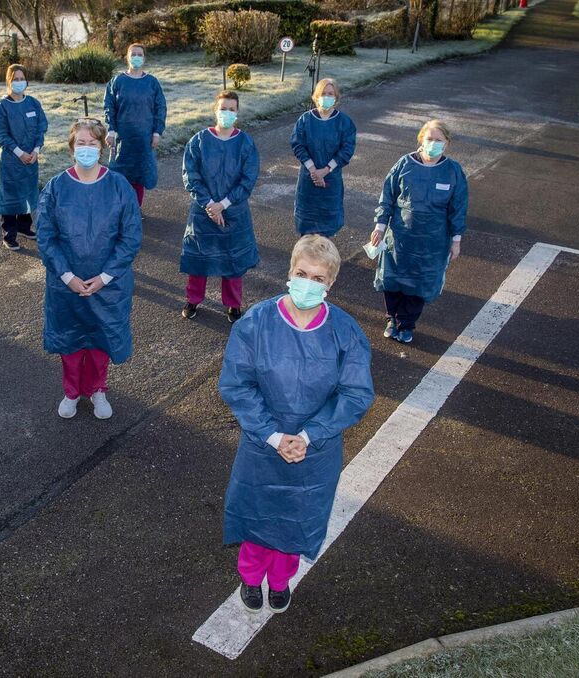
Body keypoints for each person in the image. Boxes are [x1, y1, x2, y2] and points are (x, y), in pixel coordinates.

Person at [218, 235, 374, 614]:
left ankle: (281, 580)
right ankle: (251, 578)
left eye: (318, 278)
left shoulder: (345, 331)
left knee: (296, 521)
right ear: (290, 273)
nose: (308, 282)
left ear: (330, 284)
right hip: (262, 444)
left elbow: (355, 393)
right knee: (258, 516)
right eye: (302, 273)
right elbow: (237, 383)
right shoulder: (256, 323)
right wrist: (273, 435)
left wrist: (307, 435)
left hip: (314, 450)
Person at [36, 118, 143, 420]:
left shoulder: (119, 186)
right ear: (71, 149)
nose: (86, 148)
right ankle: (71, 391)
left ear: (102, 146)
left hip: (108, 285)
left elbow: (130, 235)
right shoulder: (57, 187)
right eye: (80, 143)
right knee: (70, 342)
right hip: (65, 284)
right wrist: (68, 276)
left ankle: (97, 389)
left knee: (100, 340)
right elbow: (46, 236)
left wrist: (106, 276)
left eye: (92, 143)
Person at [370, 119, 468, 343]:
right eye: (429, 139)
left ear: (447, 143)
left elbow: (458, 208)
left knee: (420, 282)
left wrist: (456, 240)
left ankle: (407, 324)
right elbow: (387, 197)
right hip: (400, 238)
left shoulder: (453, 171)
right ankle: (392, 319)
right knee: (392, 278)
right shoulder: (404, 165)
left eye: (438, 140)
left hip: (432, 242)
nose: (433, 143)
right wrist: (380, 226)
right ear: (421, 140)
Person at [180, 90, 260, 323]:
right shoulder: (199, 141)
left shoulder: (245, 143)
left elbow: (248, 179)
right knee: (199, 259)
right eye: (223, 108)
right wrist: (209, 204)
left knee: (232, 260)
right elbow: (191, 176)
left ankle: (233, 304)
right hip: (203, 211)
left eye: (231, 109)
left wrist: (223, 204)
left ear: (237, 113)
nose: (227, 112)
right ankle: (193, 299)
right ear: (215, 110)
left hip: (233, 210)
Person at [0, 63, 48, 251]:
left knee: (27, 192)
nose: (19, 82)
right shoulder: (1, 107)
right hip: (11, 161)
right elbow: (2, 135)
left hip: (31, 159)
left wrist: (36, 150)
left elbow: (41, 127)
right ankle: (9, 235)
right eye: (15, 79)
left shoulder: (33, 103)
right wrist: (20, 153)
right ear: (8, 81)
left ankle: (25, 227)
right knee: (10, 197)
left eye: (21, 78)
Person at [290, 78, 356, 237]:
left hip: (330, 178)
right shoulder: (305, 120)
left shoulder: (344, 122)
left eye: (330, 93)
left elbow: (347, 149)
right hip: (309, 178)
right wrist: (313, 170)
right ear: (316, 96)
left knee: (328, 221)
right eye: (323, 93)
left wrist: (325, 170)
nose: (326, 96)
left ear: (336, 96)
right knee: (307, 220)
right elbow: (298, 144)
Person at [104, 43, 167, 207]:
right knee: (121, 174)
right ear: (127, 57)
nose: (136, 57)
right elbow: (109, 107)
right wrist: (111, 130)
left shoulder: (152, 82)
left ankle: (135, 209)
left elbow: (160, 108)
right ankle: (122, 209)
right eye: (133, 54)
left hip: (144, 137)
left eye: (140, 54)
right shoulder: (117, 81)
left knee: (140, 173)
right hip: (122, 138)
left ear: (144, 58)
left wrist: (157, 132)